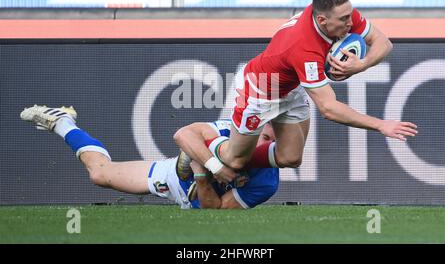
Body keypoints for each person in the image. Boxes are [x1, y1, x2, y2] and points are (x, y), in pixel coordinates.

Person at [197, 0, 418, 183]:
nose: (350, 23)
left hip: (291, 86)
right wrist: (380, 125)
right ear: (322, 20)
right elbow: (329, 109)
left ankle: (237, 159)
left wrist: (361, 65)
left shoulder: (337, 12)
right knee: (235, 160)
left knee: (291, 157)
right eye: (343, 20)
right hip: (260, 89)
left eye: (350, 16)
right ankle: (201, 149)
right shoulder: (304, 48)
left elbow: (384, 43)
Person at [20, 105, 278, 209]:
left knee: (198, 172)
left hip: (201, 193)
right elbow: (182, 134)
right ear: (252, 130)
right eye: (265, 137)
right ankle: (63, 122)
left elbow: (216, 212)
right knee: (99, 174)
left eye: (274, 144)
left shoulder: (267, 182)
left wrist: (201, 176)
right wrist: (210, 165)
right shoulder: (228, 130)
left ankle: (191, 164)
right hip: (173, 179)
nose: (266, 145)